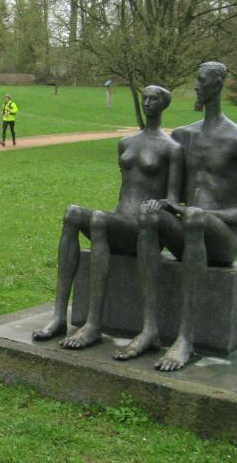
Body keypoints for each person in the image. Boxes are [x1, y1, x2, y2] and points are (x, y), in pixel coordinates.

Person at [114, 62, 237, 371]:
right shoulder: (183, 136)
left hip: (223, 240)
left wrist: (199, 212)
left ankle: (185, 339)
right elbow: (171, 192)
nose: (196, 86)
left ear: (217, 85)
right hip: (188, 230)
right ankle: (150, 329)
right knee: (149, 216)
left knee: (193, 218)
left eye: (201, 81)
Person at [33, 86, 183, 346]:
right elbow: (126, 189)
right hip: (120, 220)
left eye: (154, 99)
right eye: (145, 98)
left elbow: (172, 200)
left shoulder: (172, 148)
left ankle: (93, 325)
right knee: (72, 213)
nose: (147, 103)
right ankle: (58, 317)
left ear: (164, 105)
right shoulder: (126, 143)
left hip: (144, 229)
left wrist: (159, 204)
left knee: (100, 219)